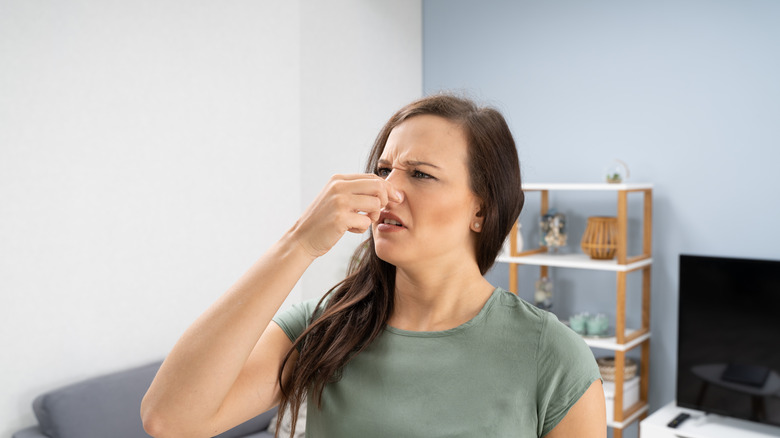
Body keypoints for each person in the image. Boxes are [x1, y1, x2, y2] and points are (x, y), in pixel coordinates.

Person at [141, 94, 606, 438]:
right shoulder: (326, 328)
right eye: (384, 170)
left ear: (481, 211)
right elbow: (169, 418)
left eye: (420, 174)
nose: (387, 190)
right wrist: (298, 243)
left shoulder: (553, 357)